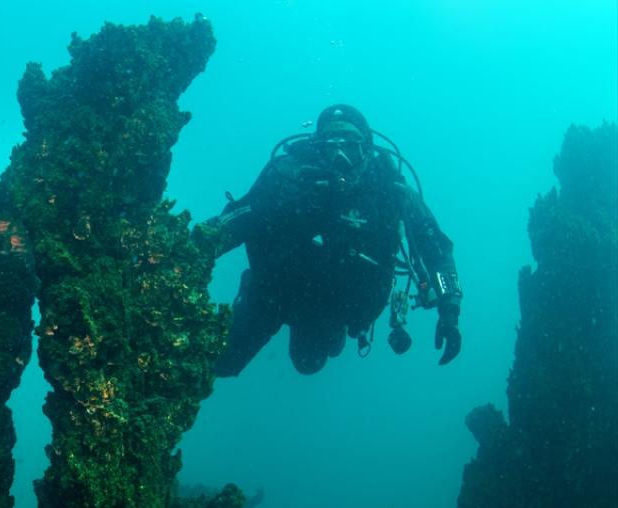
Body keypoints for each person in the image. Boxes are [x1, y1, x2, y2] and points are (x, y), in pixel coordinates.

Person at [196, 104, 462, 377]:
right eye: (330, 146)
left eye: (350, 146)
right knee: (221, 365)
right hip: (274, 290)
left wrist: (450, 306)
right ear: (317, 147)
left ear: (367, 150)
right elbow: (241, 217)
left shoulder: (391, 191)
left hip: (336, 306)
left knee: (308, 364)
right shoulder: (290, 176)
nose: (340, 157)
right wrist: (194, 247)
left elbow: (436, 247)